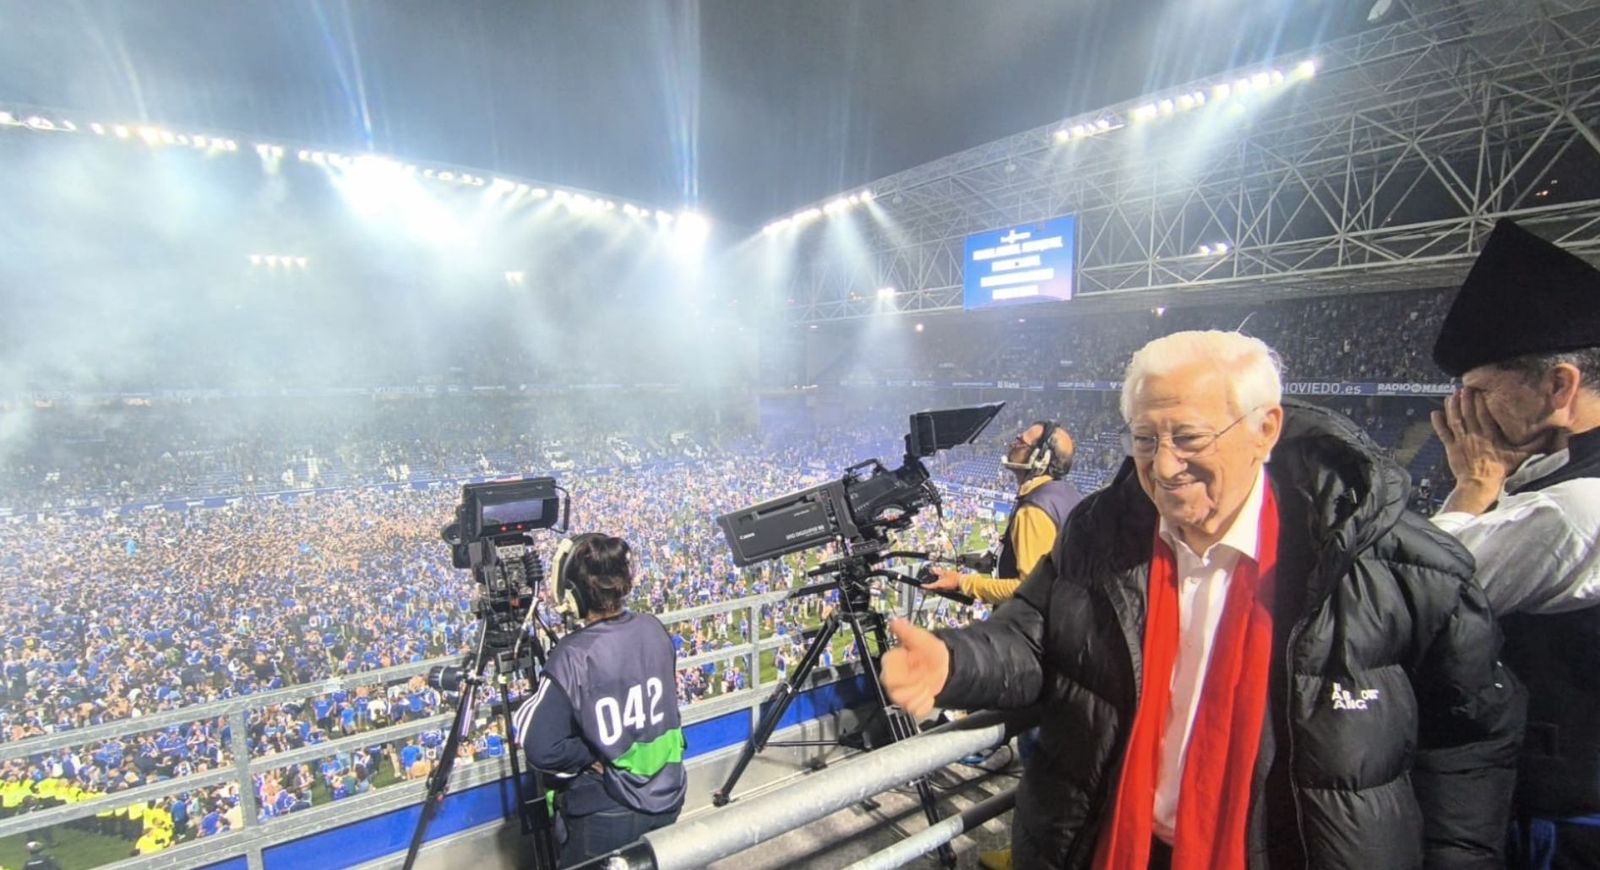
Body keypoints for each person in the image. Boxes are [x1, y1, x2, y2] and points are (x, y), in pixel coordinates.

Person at [882, 330, 1524, 869]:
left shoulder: (1394, 566)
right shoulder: (1102, 530)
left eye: (1188, 437)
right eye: (1143, 439)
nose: (1162, 467)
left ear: (1265, 429)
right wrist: (955, 663)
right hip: (1120, 846)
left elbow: (1468, 746)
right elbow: (1034, 634)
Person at [1426, 218, 1600, 869]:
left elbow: (1424, 598)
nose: (1459, 412)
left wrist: (1473, 485)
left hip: (1564, 824)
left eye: (1480, 391)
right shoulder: (1554, 483)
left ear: (1559, 386)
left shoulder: (1580, 507)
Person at [514, 533, 686, 867]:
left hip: (607, 810)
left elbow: (541, 748)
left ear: (573, 593)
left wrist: (594, 751)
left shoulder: (572, 654)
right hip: (670, 793)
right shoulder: (654, 628)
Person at [922, 420, 1082, 603]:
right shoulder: (1068, 494)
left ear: (1040, 458)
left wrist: (962, 582)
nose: (1012, 444)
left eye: (1020, 442)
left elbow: (1028, 589)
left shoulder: (1034, 510)